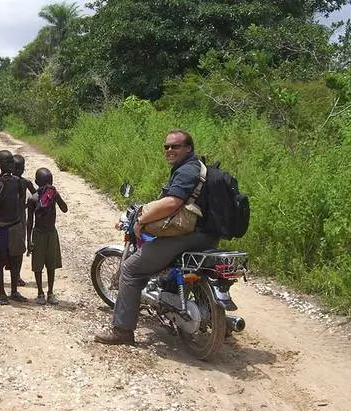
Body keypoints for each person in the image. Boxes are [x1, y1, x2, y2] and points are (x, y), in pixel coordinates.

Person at [95, 129, 220, 345]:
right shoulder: (198, 168)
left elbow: (172, 203)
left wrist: (141, 219)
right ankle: (217, 322)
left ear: (188, 148)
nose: (170, 150)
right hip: (207, 235)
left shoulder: (187, 170)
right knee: (172, 268)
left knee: (131, 269)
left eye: (175, 146)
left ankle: (122, 331)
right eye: (167, 146)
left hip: (187, 235)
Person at [0, 150, 27, 305]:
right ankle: (1, 293)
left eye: (11, 161)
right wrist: (4, 187)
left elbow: (22, 202)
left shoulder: (17, 181)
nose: (10, 165)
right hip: (2, 226)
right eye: (6, 162)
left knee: (16, 258)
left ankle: (14, 291)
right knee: (0, 259)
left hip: (15, 225)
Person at [26, 168, 67, 305]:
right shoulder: (33, 199)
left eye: (50, 182)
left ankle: (50, 292)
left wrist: (56, 194)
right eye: (45, 182)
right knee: (38, 266)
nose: (48, 185)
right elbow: (29, 221)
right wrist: (29, 239)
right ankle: (40, 292)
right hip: (38, 234)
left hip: (51, 232)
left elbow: (65, 208)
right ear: (37, 183)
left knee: (51, 264)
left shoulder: (52, 195)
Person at [12, 154, 36, 287]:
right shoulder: (6, 181)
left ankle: (17, 275)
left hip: (21, 216)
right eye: (16, 167)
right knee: (4, 248)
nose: (18, 170)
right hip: (7, 217)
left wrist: (28, 205)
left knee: (20, 247)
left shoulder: (25, 182)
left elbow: (37, 195)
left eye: (21, 168)